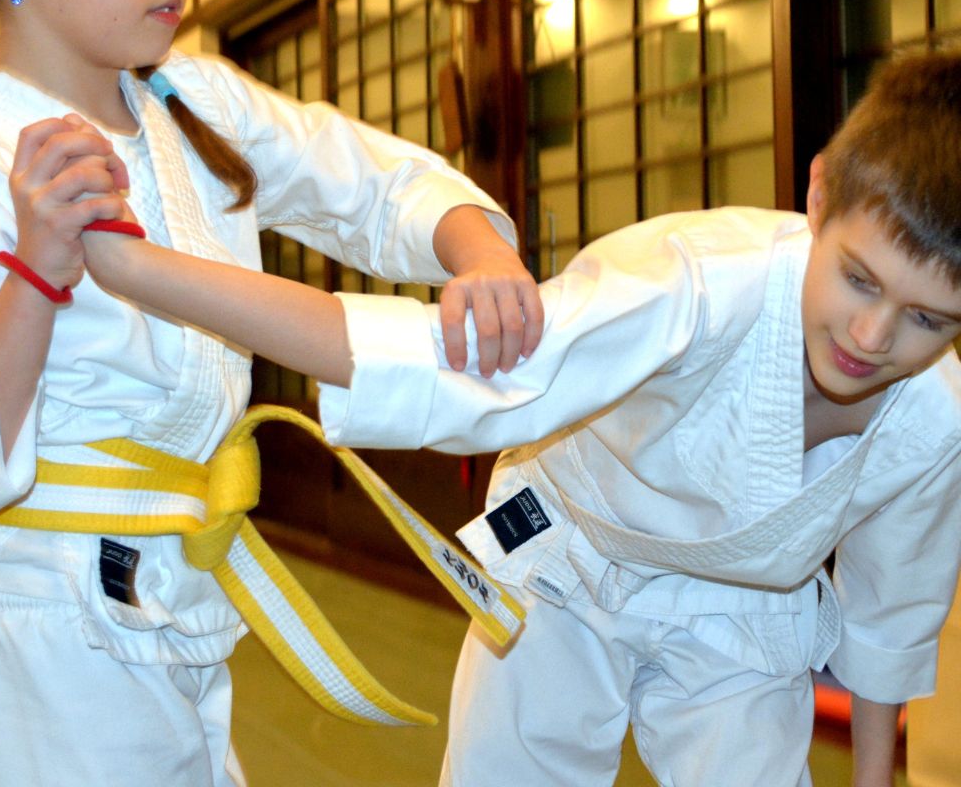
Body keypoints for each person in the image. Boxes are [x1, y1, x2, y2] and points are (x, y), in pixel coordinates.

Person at [79, 49, 961, 787]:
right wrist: (145, 273)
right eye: (859, 279)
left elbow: (890, 619)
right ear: (817, 198)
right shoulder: (694, 282)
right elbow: (468, 370)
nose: (873, 335)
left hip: (744, 614)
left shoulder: (935, 417)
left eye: (928, 319)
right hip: (570, 559)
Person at [0, 0, 544, 784]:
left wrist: (473, 246)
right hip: (39, 616)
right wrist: (35, 274)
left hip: (183, 576)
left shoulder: (194, 99)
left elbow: (368, 183)